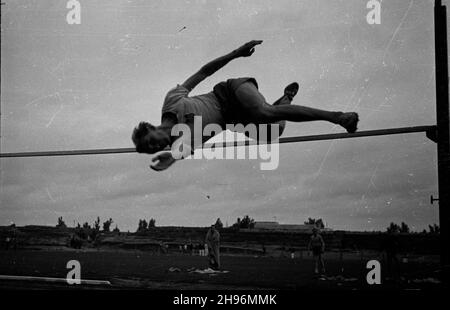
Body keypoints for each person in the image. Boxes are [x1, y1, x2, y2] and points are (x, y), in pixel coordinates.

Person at [131, 40, 359, 171]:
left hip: (229, 92)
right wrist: (171, 158)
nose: (158, 144)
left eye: (152, 141)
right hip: (232, 119)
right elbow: (182, 149)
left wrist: (235, 54)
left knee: (264, 112)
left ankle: (339, 117)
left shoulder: (172, 100)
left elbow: (203, 72)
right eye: (153, 149)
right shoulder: (181, 144)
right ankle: (286, 99)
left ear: (151, 126)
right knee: (274, 132)